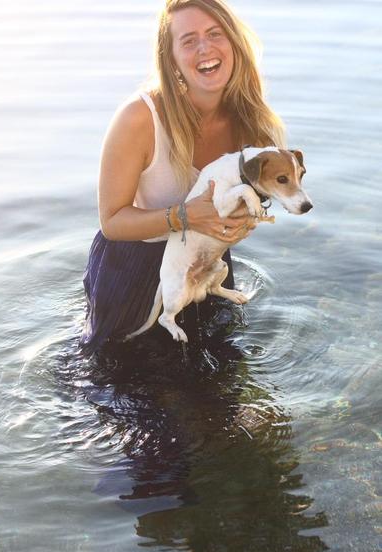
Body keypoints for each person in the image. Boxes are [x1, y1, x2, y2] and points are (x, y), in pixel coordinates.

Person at [80, 0, 285, 356]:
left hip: (208, 263)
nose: (205, 48)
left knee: (218, 388)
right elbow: (111, 221)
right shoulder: (139, 119)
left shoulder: (252, 121)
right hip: (134, 269)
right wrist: (185, 215)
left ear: (234, 43)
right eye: (188, 40)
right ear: (170, 58)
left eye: (214, 34)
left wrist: (241, 224)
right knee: (124, 388)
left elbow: (255, 203)